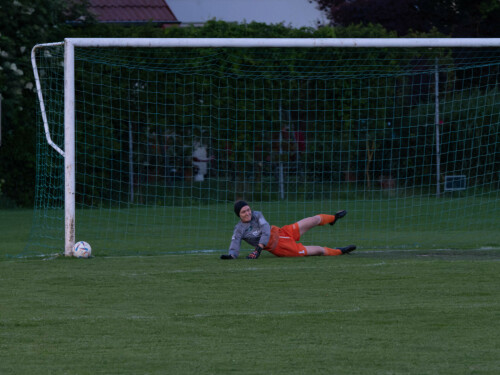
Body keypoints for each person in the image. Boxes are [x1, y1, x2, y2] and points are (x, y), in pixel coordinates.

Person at [220, 200, 356, 260]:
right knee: (318, 250)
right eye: (244, 212)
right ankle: (340, 251)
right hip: (282, 248)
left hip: (282, 232)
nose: (248, 213)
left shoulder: (257, 214)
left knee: (312, 220)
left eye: (248, 209)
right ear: (239, 215)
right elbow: (235, 242)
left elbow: (266, 229)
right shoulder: (239, 229)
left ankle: (334, 218)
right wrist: (231, 255)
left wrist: (258, 249)